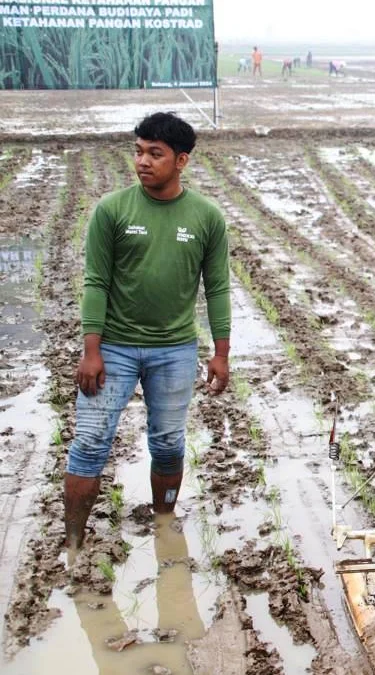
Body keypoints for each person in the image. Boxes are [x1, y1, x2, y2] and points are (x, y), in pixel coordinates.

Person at [65, 112, 231, 558]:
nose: (142, 161)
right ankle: (74, 544)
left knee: (168, 443)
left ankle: (164, 521)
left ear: (181, 161)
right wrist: (91, 350)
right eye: (138, 151)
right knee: (90, 442)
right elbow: (96, 282)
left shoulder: (206, 218)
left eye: (154, 154)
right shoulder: (112, 211)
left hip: (174, 350)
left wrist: (221, 352)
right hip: (113, 348)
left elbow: (216, 287)